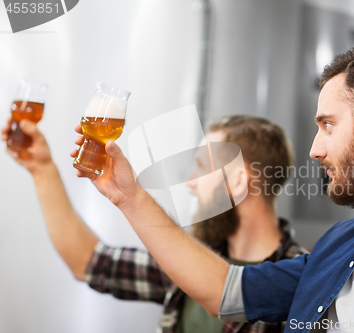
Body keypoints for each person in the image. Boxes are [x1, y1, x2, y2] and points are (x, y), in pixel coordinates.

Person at [60, 45, 354, 332]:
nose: (315, 149)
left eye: (328, 125)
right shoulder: (338, 246)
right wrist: (129, 195)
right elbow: (225, 291)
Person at [1, 114, 307, 333]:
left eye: (201, 166)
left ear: (239, 180)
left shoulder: (305, 283)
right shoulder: (189, 257)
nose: (189, 182)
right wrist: (42, 169)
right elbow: (89, 263)